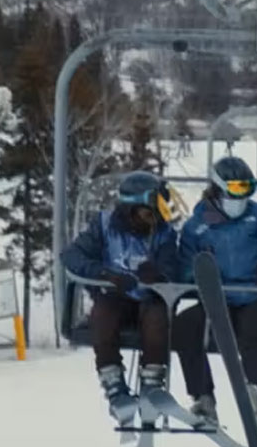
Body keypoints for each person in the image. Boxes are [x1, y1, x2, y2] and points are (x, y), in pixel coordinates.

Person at [174, 156, 257, 424]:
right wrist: (198, 278)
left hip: (252, 294)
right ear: (218, 188)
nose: (242, 198)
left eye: (248, 190)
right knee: (184, 327)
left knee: (253, 330)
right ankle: (203, 396)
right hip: (217, 299)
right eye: (236, 190)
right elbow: (186, 266)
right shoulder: (197, 225)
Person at [60, 171, 183, 422]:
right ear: (132, 209)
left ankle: (152, 383)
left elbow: (173, 268)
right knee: (102, 317)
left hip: (150, 298)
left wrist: (159, 275)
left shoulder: (163, 232)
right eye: (149, 212)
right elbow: (72, 256)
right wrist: (104, 274)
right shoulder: (104, 226)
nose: (154, 218)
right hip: (116, 294)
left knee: (157, 320)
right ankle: (114, 383)